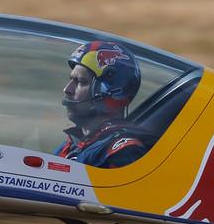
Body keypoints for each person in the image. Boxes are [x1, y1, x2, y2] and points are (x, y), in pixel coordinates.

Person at [58, 39, 149, 167]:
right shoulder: (74, 145)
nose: (67, 90)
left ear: (107, 92)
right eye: (71, 80)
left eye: (80, 82)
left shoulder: (122, 154)